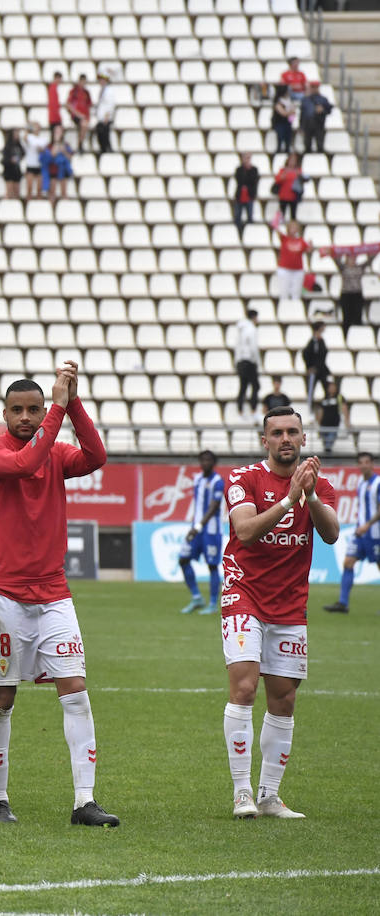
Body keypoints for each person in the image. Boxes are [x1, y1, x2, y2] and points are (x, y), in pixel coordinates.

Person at [0, 365, 119, 827]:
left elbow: (96, 456)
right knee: (2, 696)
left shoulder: (55, 449)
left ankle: (84, 802)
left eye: (33, 409)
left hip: (54, 593)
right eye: (17, 410)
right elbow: (24, 465)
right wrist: (58, 408)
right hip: (3, 596)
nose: (26, 417)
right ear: (4, 414)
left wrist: (72, 403)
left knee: (75, 692)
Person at [219, 407, 338, 819]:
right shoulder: (244, 478)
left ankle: (269, 796)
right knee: (245, 688)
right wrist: (290, 498)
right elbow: (246, 532)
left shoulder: (320, 485)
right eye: (277, 433)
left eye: (292, 432)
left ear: (304, 439)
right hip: (244, 594)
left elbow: (331, 534)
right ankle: (242, 793)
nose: (285, 439)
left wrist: (312, 495)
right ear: (264, 440)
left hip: (289, 604)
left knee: (284, 698)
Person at [325, 451, 379, 614]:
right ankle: (343, 603)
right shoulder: (361, 483)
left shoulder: (377, 483)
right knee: (348, 562)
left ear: (372, 464)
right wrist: (360, 525)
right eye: (360, 462)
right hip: (361, 533)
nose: (363, 465)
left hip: (375, 534)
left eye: (367, 462)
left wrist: (368, 525)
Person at [178, 450, 225, 616]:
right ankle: (197, 597)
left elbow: (213, 507)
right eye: (203, 460)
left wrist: (198, 526)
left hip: (211, 531)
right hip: (196, 528)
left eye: (208, 460)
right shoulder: (197, 479)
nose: (205, 463)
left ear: (214, 463)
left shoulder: (218, 481)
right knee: (183, 559)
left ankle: (212, 604)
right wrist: (195, 525)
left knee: (212, 565)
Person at [332, 248, 375, 335]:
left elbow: (370, 260)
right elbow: (335, 259)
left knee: (358, 317)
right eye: (350, 258)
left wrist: (373, 250)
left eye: (354, 258)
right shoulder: (343, 267)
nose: (353, 260)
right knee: (347, 318)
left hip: (357, 295)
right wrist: (338, 252)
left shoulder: (360, 267)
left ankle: (357, 336)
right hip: (346, 295)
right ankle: (346, 336)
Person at [233, 309, 260, 418]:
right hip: (249, 361)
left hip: (240, 361)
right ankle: (253, 410)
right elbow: (253, 347)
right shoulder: (251, 329)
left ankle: (240, 410)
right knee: (255, 386)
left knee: (243, 386)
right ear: (253, 317)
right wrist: (256, 361)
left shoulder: (240, 330)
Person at [314, 380, 347, 454]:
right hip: (324, 424)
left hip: (334, 424)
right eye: (330, 387)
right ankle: (327, 452)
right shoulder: (325, 398)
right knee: (324, 441)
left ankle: (327, 453)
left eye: (333, 387)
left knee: (329, 442)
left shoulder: (340, 398)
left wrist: (346, 421)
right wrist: (319, 422)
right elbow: (321, 411)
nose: (331, 389)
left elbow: (344, 409)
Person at [300, 320, 328, 408]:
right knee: (311, 390)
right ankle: (310, 408)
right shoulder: (312, 342)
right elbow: (305, 354)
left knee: (327, 389)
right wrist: (309, 367)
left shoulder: (321, 341)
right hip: (313, 370)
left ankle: (326, 408)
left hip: (322, 369)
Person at [299, 82, 332, 154]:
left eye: (315, 87)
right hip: (308, 124)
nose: (314, 89)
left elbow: (329, 110)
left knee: (320, 146)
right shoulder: (305, 100)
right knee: (307, 146)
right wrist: (301, 126)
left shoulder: (323, 99)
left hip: (319, 124)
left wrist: (322, 110)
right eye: (312, 87)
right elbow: (302, 114)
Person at [232, 153, 260, 236]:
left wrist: (248, 171)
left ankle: (250, 234)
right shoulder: (239, 169)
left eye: (248, 158)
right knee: (237, 216)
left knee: (250, 216)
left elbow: (253, 181)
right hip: (240, 195)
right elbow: (240, 180)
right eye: (245, 158)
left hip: (249, 195)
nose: (246, 160)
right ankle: (237, 233)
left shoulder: (254, 169)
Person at [274, 153, 305, 222]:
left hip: (294, 195)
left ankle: (293, 226)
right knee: (282, 214)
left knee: (293, 215)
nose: (292, 162)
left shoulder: (298, 171)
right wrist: (283, 176)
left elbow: (302, 181)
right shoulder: (283, 170)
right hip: (283, 195)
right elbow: (277, 180)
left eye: (294, 160)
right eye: (291, 160)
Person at [66, 74, 92, 151]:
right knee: (84, 124)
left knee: (85, 123)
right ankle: (80, 144)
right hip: (76, 115)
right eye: (82, 81)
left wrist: (87, 117)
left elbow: (89, 105)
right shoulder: (74, 91)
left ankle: (81, 143)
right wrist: (78, 114)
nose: (83, 83)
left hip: (84, 116)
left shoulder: (86, 92)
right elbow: (68, 105)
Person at [93, 71, 117, 153]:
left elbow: (110, 105)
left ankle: (107, 149)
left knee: (105, 135)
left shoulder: (109, 91)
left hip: (105, 118)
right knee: (101, 134)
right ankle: (103, 149)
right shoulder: (102, 90)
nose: (101, 81)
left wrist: (107, 116)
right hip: (101, 117)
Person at [271, 85, 295, 155]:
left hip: (288, 123)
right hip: (280, 123)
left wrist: (291, 119)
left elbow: (293, 113)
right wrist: (290, 112)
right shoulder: (278, 101)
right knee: (280, 138)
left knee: (288, 140)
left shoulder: (289, 101)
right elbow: (283, 113)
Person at [1, 129, 23, 199]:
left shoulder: (19, 146)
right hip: (9, 170)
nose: (17, 136)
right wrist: (11, 160)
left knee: (16, 192)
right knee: (9, 191)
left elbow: (23, 153)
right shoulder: (7, 146)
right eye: (15, 134)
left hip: (16, 170)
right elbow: (4, 159)